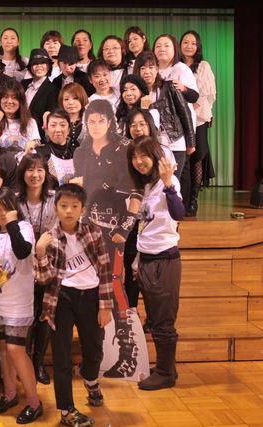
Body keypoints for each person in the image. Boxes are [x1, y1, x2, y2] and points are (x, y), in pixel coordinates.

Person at [72, 99, 143, 379]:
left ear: (111, 121)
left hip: (115, 230)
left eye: (101, 120)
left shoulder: (124, 147)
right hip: (88, 228)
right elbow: (80, 191)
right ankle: (96, 354)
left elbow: (136, 191)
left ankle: (128, 354)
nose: (96, 126)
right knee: (91, 288)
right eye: (91, 121)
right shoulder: (81, 151)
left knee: (114, 284)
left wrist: (125, 228)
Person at [35, 183, 113, 427]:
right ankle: (67, 409)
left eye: (74, 206)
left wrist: (105, 306)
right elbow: (44, 279)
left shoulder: (93, 231)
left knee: (94, 349)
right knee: (62, 355)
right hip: (62, 298)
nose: (69, 211)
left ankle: (90, 379)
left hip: (91, 297)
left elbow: (105, 269)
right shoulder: (49, 238)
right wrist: (40, 252)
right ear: (56, 208)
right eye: (63, 206)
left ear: (83, 209)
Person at [127, 136, 185, 390]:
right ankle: (165, 367)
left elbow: (179, 213)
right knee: (155, 317)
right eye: (134, 157)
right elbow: (144, 226)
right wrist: (138, 258)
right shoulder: (145, 187)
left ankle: (165, 373)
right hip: (147, 258)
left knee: (163, 320)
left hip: (164, 259)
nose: (139, 161)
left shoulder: (166, 183)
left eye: (144, 156)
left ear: (154, 156)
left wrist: (169, 183)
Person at [0, 188, 41, 424]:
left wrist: (13, 223)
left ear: (15, 208)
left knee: (16, 350)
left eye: (7, 208)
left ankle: (34, 402)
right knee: (3, 350)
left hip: (19, 303)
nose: (2, 213)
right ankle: (10, 394)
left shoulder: (23, 228)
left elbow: (23, 251)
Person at [16, 154, 57, 384]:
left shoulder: (54, 198)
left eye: (40, 170)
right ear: (22, 173)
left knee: (45, 313)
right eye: (30, 170)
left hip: (49, 263)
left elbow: (62, 228)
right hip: (22, 265)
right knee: (26, 315)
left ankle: (38, 364)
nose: (35, 175)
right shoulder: (15, 200)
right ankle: (24, 363)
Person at [134, 51, 196, 185]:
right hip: (152, 145)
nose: (147, 72)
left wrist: (191, 141)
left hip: (174, 141)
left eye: (151, 67)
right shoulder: (135, 92)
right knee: (156, 184)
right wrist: (144, 107)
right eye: (143, 68)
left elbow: (185, 113)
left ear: (157, 69)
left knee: (172, 182)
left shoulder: (169, 87)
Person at [180, 30, 216, 216]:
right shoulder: (176, 66)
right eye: (185, 42)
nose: (189, 46)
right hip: (180, 118)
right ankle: (182, 199)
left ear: (198, 46)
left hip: (199, 117)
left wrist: (198, 109)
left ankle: (193, 199)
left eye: (193, 43)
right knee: (183, 159)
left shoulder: (203, 65)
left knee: (197, 157)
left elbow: (209, 93)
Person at [0, 78, 41, 154]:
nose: (9, 101)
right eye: (5, 97)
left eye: (14, 98)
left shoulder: (30, 122)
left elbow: (35, 146)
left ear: (21, 101)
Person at [22, 49, 59, 141]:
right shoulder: (23, 84)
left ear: (49, 66)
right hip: (18, 132)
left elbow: (51, 117)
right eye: (35, 63)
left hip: (38, 137)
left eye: (43, 63)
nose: (39, 66)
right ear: (30, 67)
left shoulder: (53, 90)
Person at [35, 109, 74, 185]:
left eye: (62, 125)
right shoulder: (39, 152)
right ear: (46, 130)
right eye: (53, 125)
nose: (58, 130)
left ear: (69, 130)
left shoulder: (76, 152)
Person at [58, 83, 88, 153]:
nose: (71, 102)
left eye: (75, 98)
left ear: (82, 99)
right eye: (66, 99)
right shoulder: (57, 122)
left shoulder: (89, 121)